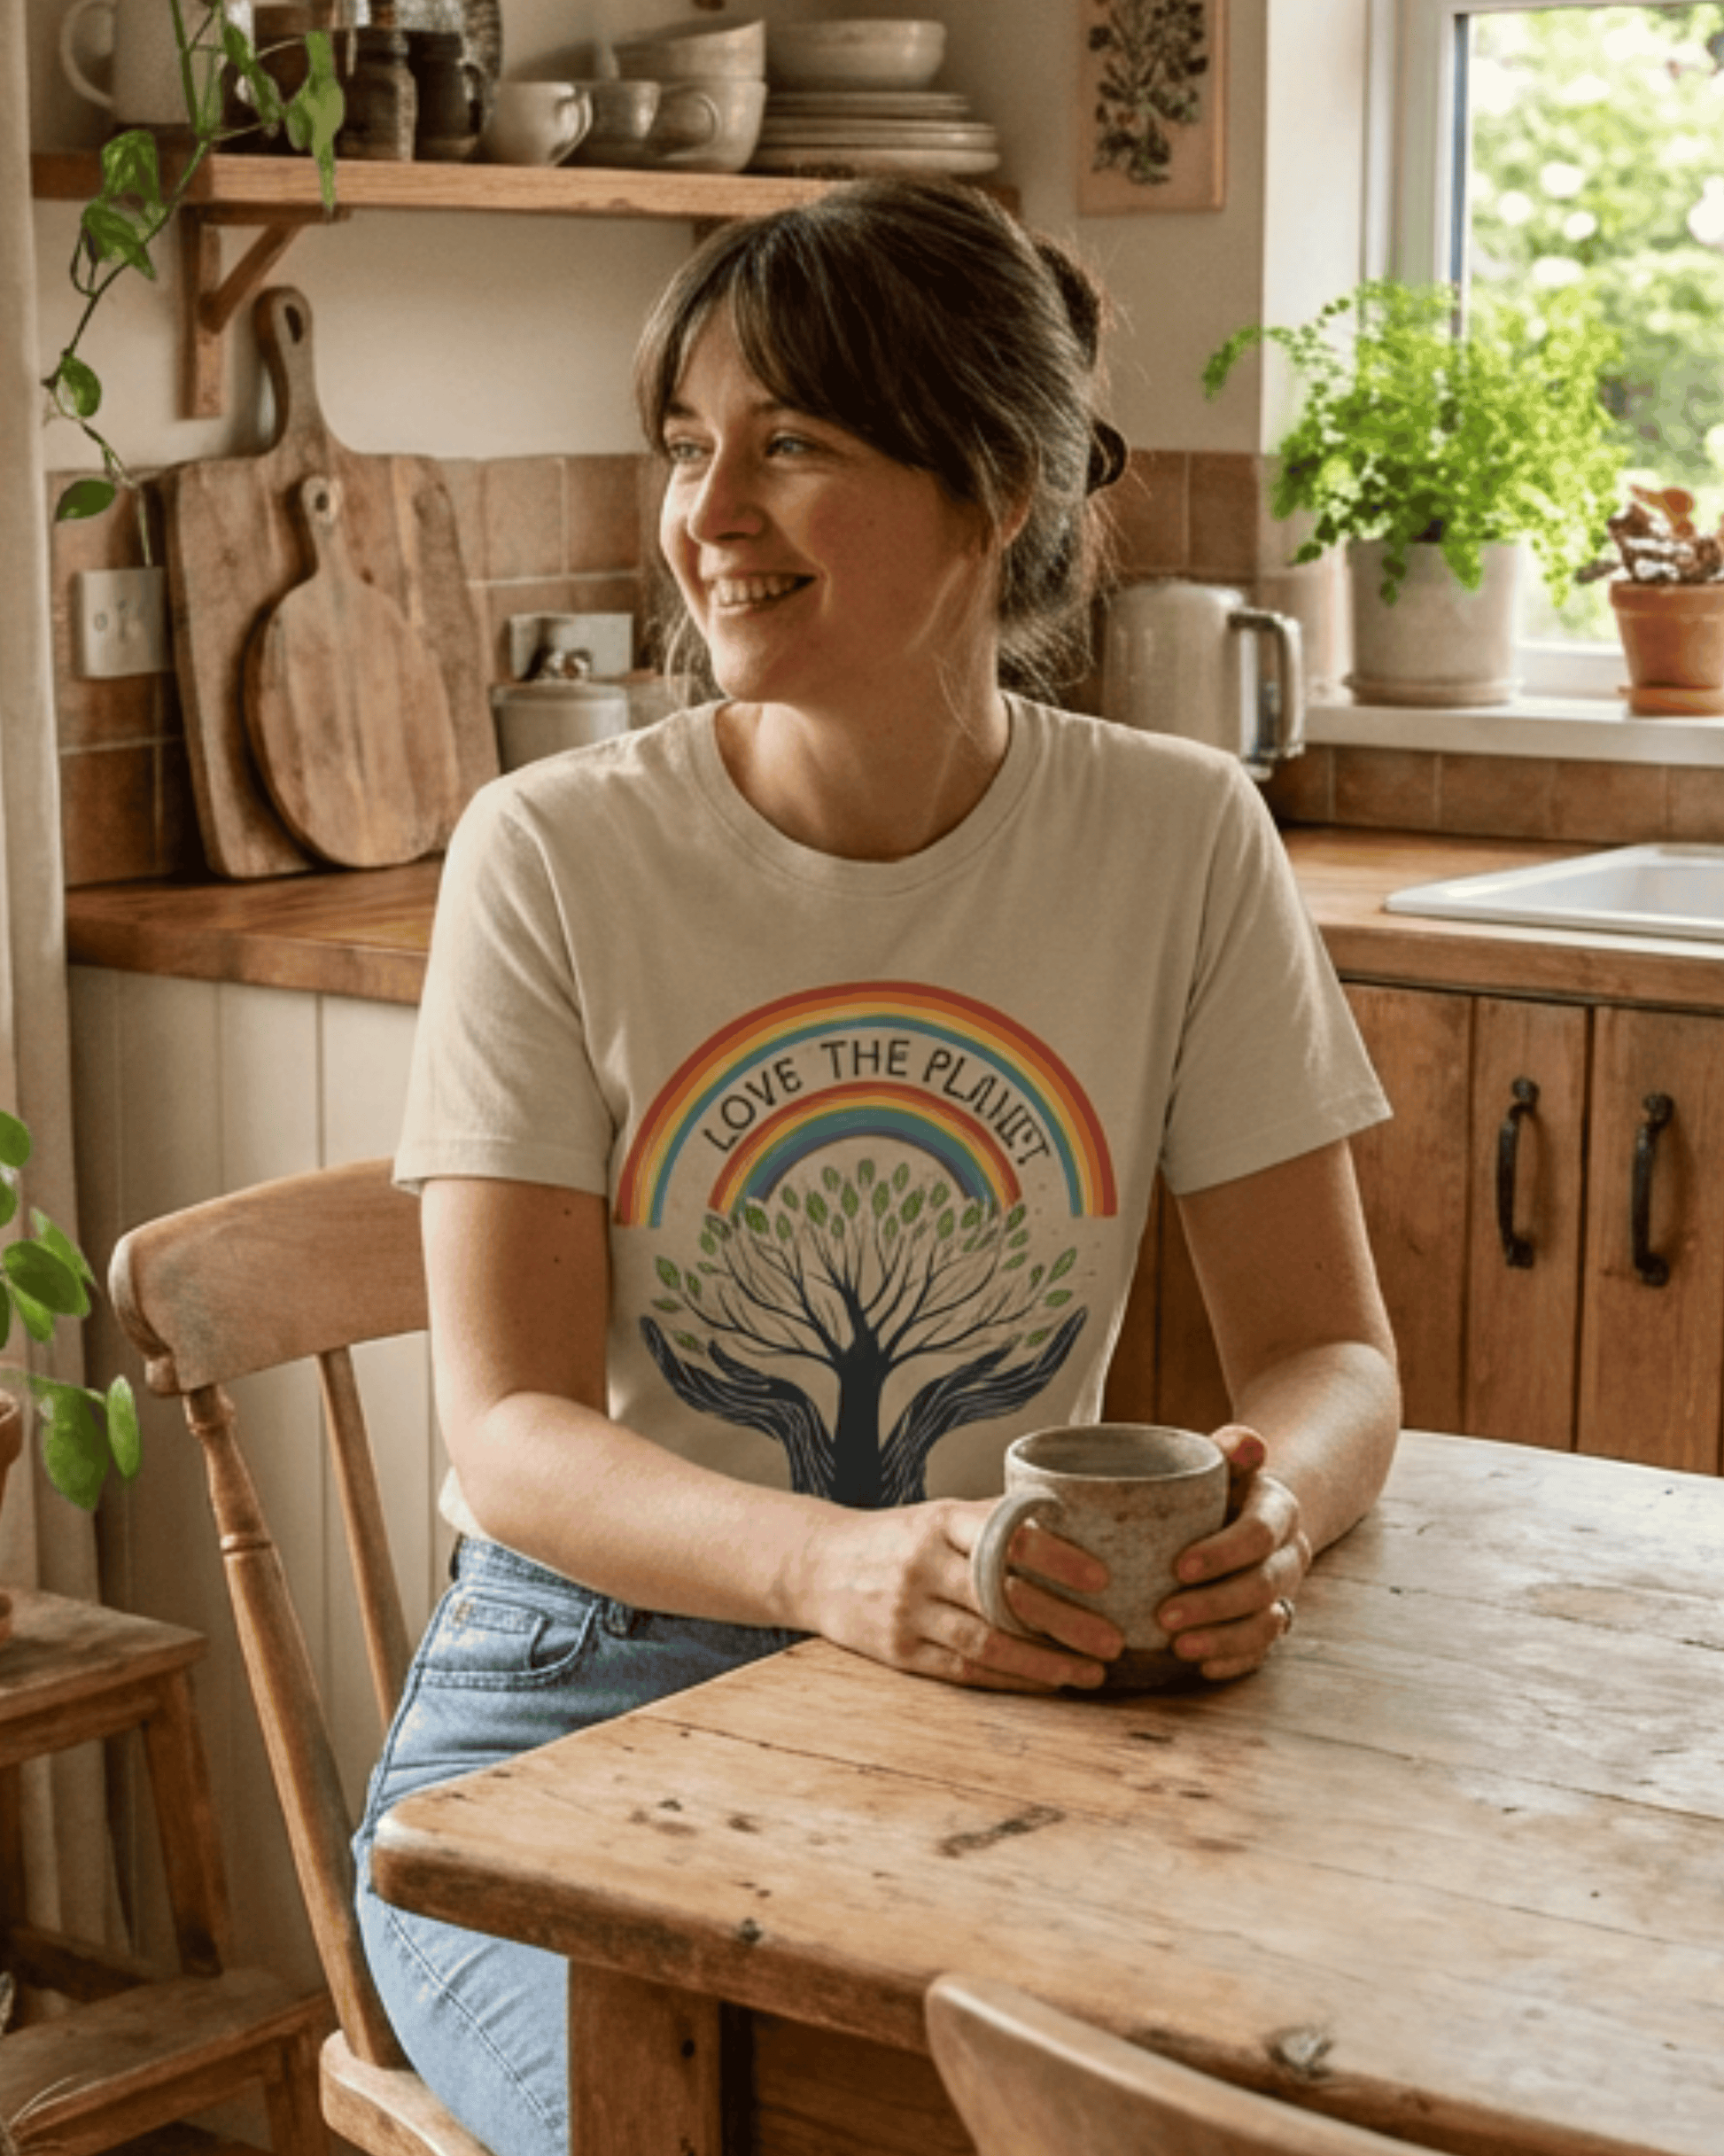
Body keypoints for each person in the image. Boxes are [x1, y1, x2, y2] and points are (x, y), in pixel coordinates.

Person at [353, 178, 1401, 2156]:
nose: (704, 516)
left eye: (792, 446)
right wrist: (831, 1564)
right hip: (579, 1704)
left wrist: (1280, 1513)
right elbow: (502, 1428)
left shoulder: (1178, 839)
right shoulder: (549, 850)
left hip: (1010, 1696)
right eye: (686, 448)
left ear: (996, 485)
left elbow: (1330, 1354)